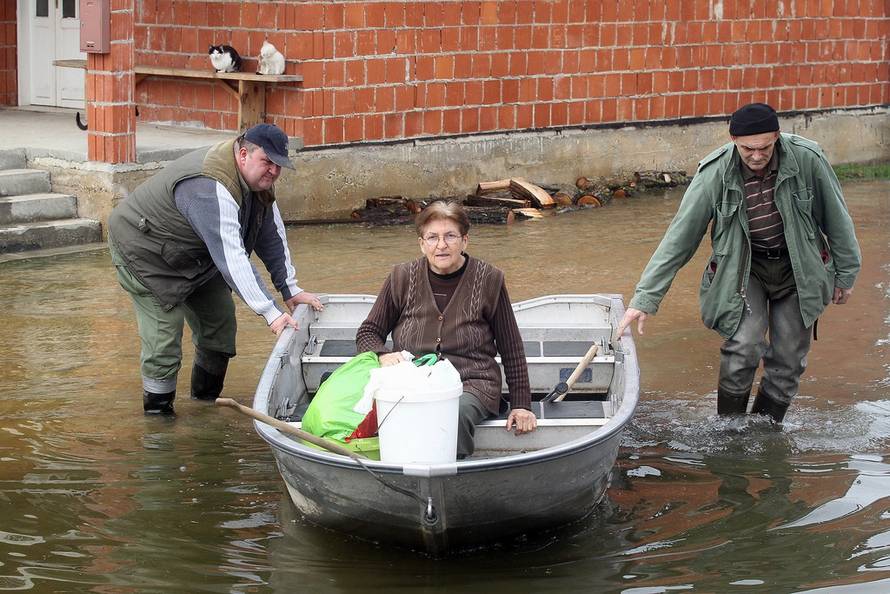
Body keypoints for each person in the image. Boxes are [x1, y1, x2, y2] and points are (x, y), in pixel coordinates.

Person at [617, 103, 861, 423]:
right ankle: (729, 430)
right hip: (744, 270)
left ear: (777, 136)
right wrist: (645, 298)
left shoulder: (808, 159)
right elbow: (679, 239)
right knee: (744, 345)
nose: (757, 156)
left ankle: (765, 431)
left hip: (799, 269)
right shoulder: (714, 172)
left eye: (764, 148)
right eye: (748, 149)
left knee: (788, 360)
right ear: (733, 140)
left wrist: (846, 274)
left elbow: (837, 219)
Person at [108, 123, 323, 415]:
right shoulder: (210, 186)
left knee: (220, 325)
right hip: (146, 253)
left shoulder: (257, 182)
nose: (273, 171)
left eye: (279, 165)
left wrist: (290, 289)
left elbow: (271, 234)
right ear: (244, 154)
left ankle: (205, 407)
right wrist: (271, 313)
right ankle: (159, 420)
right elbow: (232, 257)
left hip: (195, 255)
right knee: (164, 340)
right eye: (267, 162)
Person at [356, 201, 537, 457]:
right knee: (380, 415)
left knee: (451, 416)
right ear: (422, 244)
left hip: (472, 383)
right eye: (432, 237)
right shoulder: (401, 277)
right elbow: (368, 332)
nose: (441, 245)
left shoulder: (489, 279)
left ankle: (448, 475)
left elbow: (511, 347)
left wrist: (521, 405)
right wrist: (382, 354)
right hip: (412, 381)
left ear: (464, 241)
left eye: (450, 236)